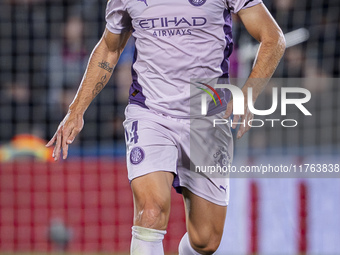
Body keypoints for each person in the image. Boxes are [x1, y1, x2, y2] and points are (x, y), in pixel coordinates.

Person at [47, 0, 285, 254]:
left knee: (206, 240)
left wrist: (249, 93)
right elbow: (109, 48)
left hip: (206, 118)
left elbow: (273, 38)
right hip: (151, 113)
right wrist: (76, 110)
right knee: (150, 212)